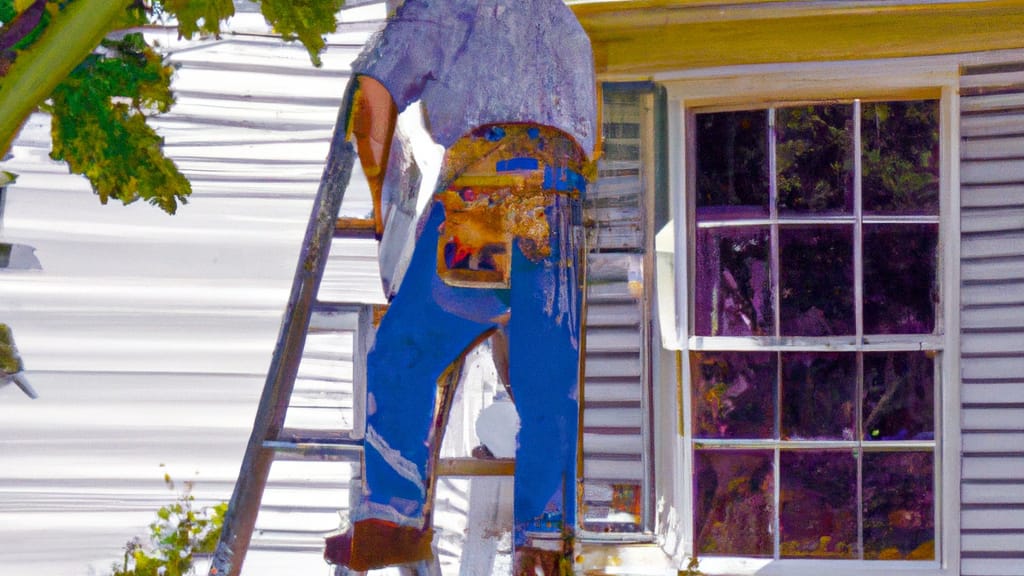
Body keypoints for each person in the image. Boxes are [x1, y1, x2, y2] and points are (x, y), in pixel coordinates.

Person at [324, 0, 597, 573]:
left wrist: (375, 208)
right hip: (563, 211)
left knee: (404, 352)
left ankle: (391, 519)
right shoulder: (560, 17)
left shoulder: (442, 5)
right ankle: (544, 545)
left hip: (487, 200)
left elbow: (372, 98)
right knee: (548, 388)